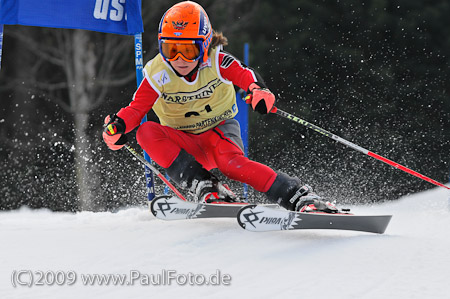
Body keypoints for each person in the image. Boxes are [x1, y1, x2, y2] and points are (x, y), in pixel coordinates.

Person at [103, 1, 337, 213]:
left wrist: (258, 91)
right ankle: (205, 184)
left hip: (218, 134)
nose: (179, 58)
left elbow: (246, 75)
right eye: (171, 49)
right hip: (185, 146)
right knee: (146, 132)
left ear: (204, 45)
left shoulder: (215, 61)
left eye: (188, 50)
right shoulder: (157, 73)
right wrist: (117, 127)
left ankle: (296, 195)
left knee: (232, 164)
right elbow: (136, 110)